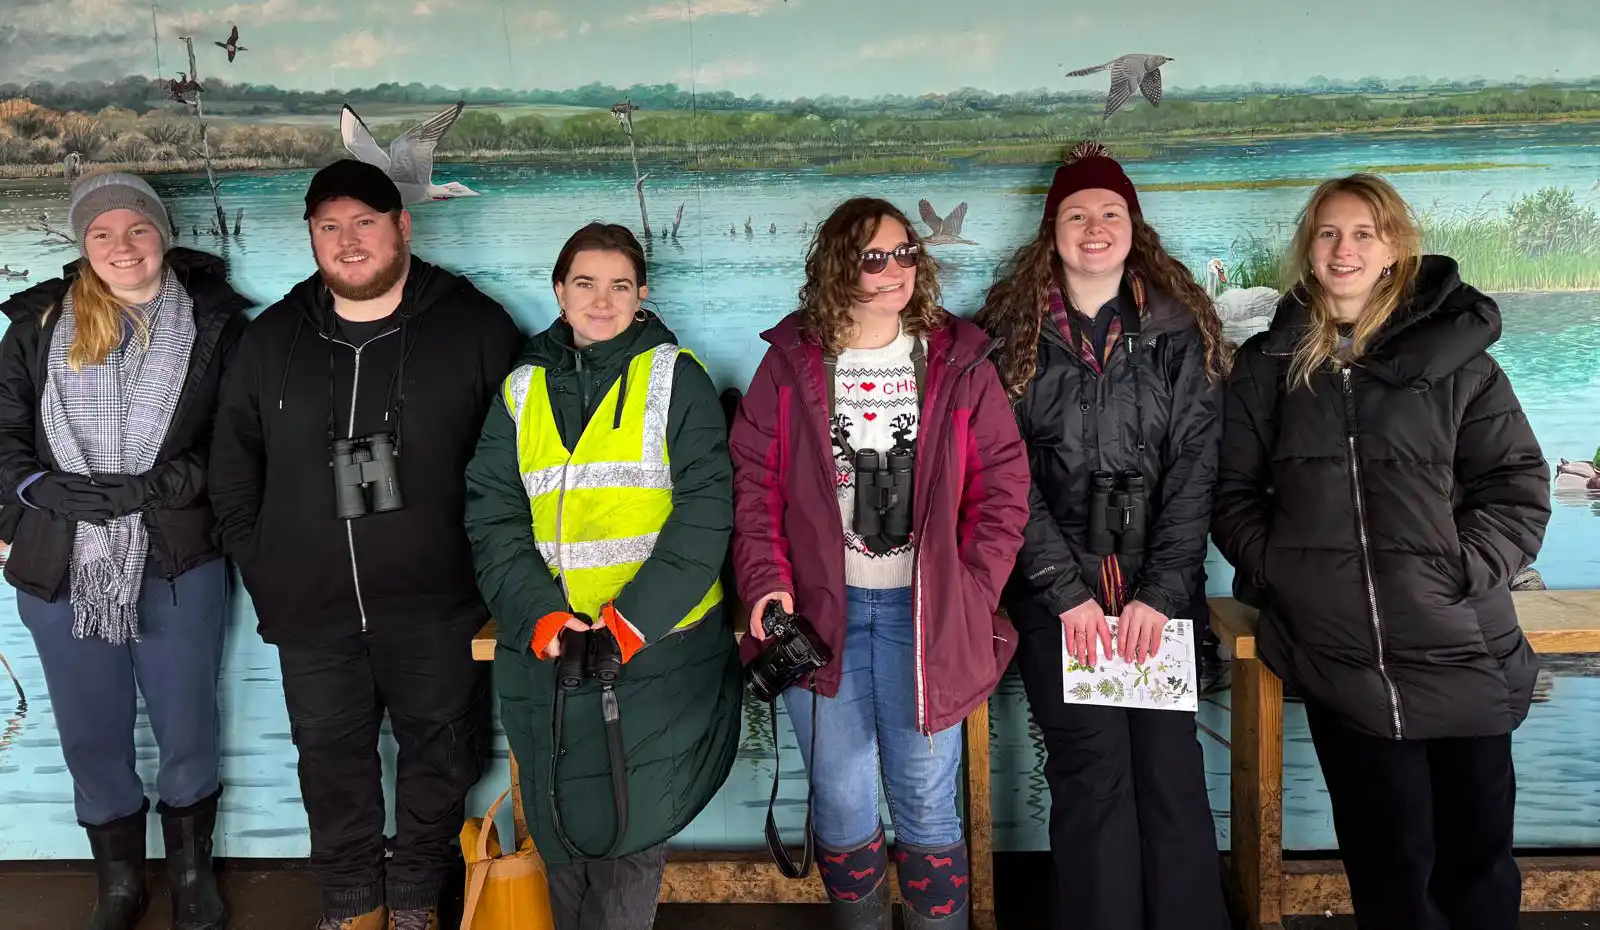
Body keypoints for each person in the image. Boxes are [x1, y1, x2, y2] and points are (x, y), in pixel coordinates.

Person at [1210, 173, 1551, 930]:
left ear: (1393, 249)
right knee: (1388, 873)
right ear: (1308, 248)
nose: (1345, 248)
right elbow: (1232, 497)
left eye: (1363, 232)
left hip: (1461, 649)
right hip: (1342, 661)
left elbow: (1517, 484)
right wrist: (1288, 574)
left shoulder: (1460, 362)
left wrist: (1461, 569)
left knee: (1477, 867)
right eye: (1329, 233)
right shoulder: (1268, 368)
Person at [208, 159, 524, 930]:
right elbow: (231, 465)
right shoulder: (272, 339)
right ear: (311, 236)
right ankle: (352, 905)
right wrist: (267, 564)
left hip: (439, 608)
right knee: (329, 764)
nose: (348, 243)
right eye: (329, 227)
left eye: (365, 224)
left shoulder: (476, 329)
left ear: (402, 226)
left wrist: (487, 580)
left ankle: (417, 898)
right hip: (311, 609)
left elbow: (520, 469)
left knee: (443, 756)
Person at [730, 197, 1030, 930]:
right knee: (838, 797)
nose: (895, 268)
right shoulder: (789, 363)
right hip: (820, 617)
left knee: (927, 798)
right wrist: (767, 580)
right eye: (874, 257)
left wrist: (969, 589)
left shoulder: (959, 361)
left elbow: (1003, 487)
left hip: (924, 620)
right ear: (839, 266)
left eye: (905, 253)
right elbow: (754, 483)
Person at [972, 141, 1231, 930]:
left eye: (1109, 213)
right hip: (1061, 603)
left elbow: (1197, 466)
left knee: (1170, 771)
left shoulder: (1178, 332)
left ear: (1133, 226)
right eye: (1077, 214)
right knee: (1091, 774)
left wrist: (1161, 592)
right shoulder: (1010, 336)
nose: (1094, 228)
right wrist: (1064, 593)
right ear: (1051, 230)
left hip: (1161, 593)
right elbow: (1001, 473)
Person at [465, 222, 741, 930]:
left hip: (654, 654)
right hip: (553, 652)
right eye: (584, 283)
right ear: (559, 292)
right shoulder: (521, 391)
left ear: (643, 294)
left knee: (627, 837)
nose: (602, 299)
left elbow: (707, 513)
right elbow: (493, 515)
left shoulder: (675, 378)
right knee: (561, 832)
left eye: (620, 285)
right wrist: (541, 617)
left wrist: (629, 624)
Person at [0, 172, 250, 930]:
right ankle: (118, 884)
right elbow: (2, 436)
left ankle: (192, 876)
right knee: (89, 727)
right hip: (59, 556)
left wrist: (161, 486)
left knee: (186, 721)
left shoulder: (217, 325)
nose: (122, 246)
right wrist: (42, 493)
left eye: (137, 228)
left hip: (177, 552)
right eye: (102, 232)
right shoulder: (38, 322)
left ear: (162, 233)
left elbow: (239, 445)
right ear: (82, 244)